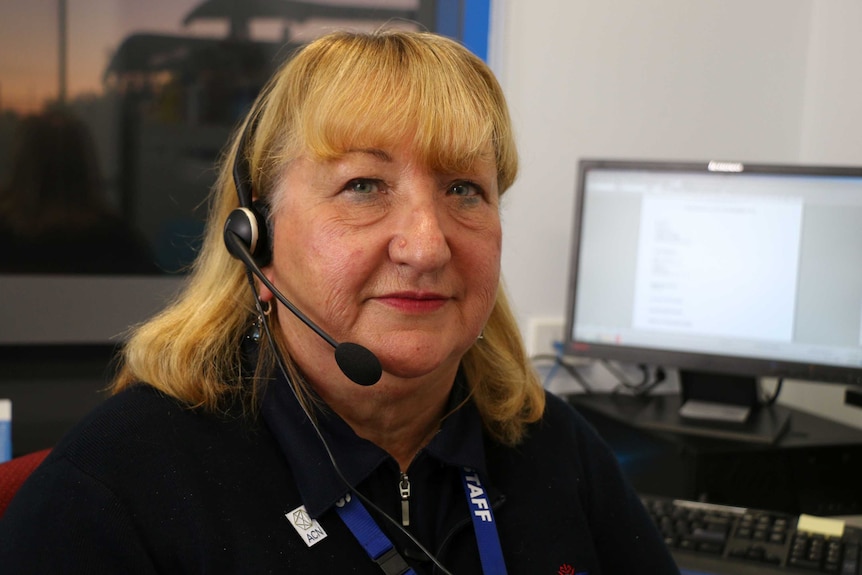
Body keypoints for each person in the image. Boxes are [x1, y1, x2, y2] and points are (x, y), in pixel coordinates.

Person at [0, 30, 679, 574]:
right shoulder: (115, 490)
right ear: (255, 238)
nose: (427, 244)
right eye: (363, 185)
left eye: (463, 189)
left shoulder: (556, 450)